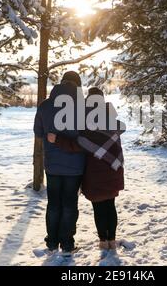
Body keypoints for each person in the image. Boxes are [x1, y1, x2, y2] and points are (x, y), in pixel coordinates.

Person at [47, 87, 125, 251]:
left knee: (99, 208)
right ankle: (111, 239)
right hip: (113, 169)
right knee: (110, 206)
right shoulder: (111, 118)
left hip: (95, 173)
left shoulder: (88, 120)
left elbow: (78, 144)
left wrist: (57, 140)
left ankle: (103, 241)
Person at [33, 71, 85, 254]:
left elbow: (38, 132)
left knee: (54, 203)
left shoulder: (45, 106)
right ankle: (67, 243)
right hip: (76, 165)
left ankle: (52, 242)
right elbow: (88, 138)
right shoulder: (84, 107)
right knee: (70, 203)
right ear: (77, 86)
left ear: (61, 83)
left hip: (53, 164)